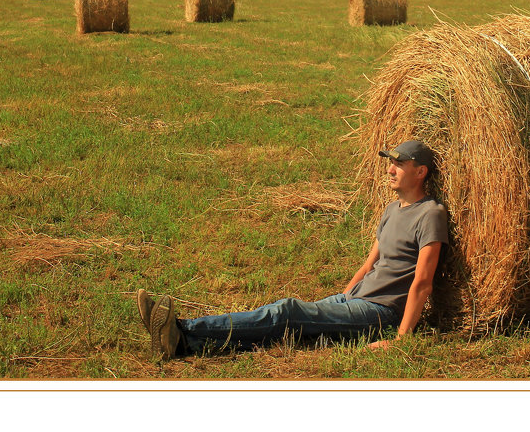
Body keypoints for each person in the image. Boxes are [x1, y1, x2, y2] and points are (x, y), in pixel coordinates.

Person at [135, 139, 448, 359]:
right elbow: (368, 266)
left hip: (381, 312)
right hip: (356, 299)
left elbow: (422, 283)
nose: (390, 169)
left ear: (420, 172)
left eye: (399, 164)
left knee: (288, 312)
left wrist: (401, 339)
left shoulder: (430, 215)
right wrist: (343, 298)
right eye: (390, 163)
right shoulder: (392, 209)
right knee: (295, 328)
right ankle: (184, 343)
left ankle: (182, 329)